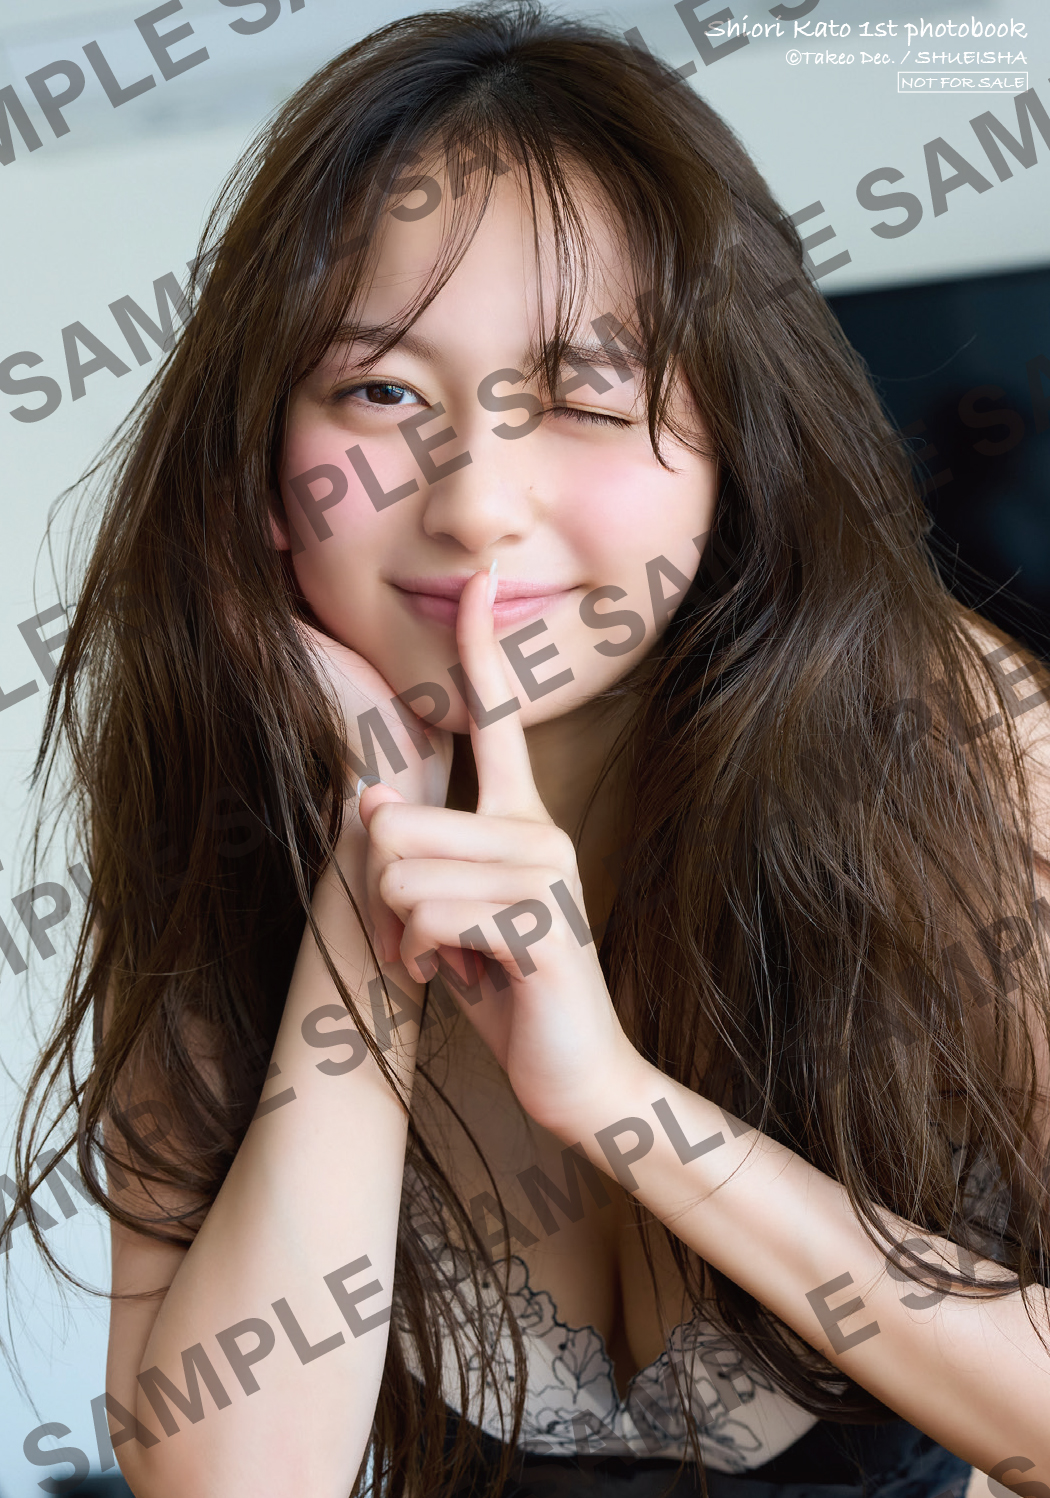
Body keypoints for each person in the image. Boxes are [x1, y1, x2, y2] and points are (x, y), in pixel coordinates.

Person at [9, 4, 1050, 1496]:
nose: (475, 504)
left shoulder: (952, 743)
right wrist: (366, 888)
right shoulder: (230, 806)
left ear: (736, 444)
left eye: (581, 395)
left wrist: (614, 1099)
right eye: (380, 392)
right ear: (261, 468)